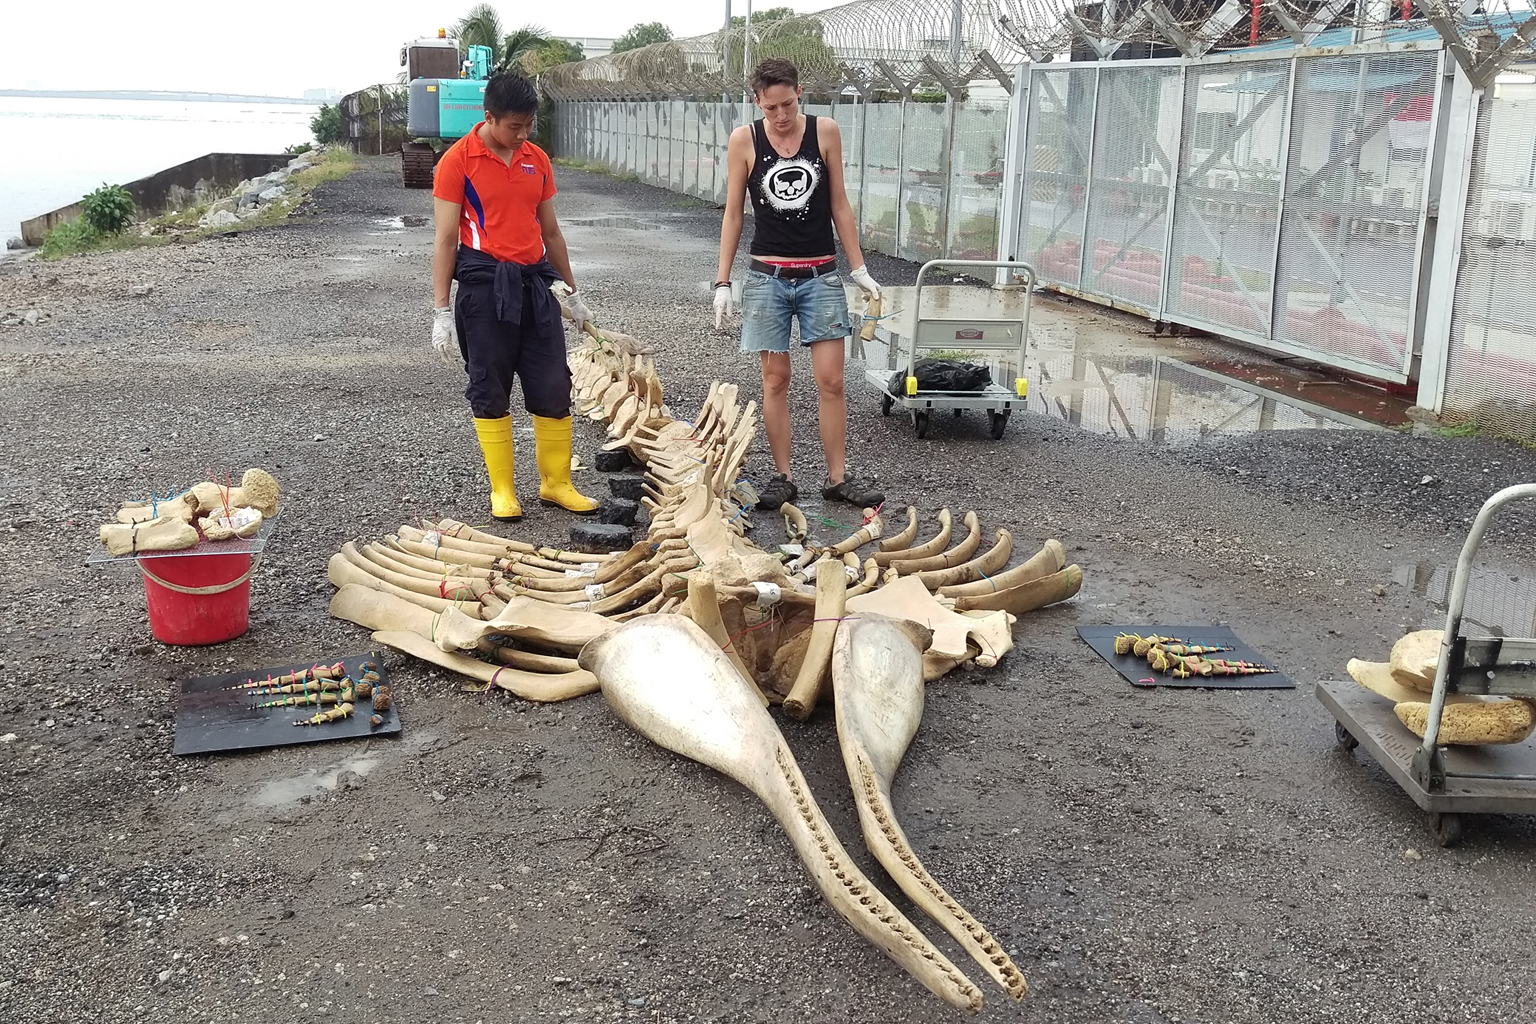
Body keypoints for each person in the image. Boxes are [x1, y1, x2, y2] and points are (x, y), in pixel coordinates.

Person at [714, 57, 885, 511]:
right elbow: (733, 212)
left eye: (788, 104)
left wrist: (859, 267)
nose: (782, 116)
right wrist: (722, 280)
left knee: (831, 381)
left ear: (799, 93)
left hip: (820, 275)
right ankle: (783, 476)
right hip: (768, 277)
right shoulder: (744, 140)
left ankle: (837, 477)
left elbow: (839, 204)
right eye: (771, 108)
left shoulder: (824, 132)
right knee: (776, 379)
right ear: (757, 102)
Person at [429, 72, 597, 522]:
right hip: (484, 289)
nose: (523, 135)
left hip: (534, 286)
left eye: (529, 126)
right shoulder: (457, 161)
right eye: (514, 127)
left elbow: (551, 231)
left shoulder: (536, 159)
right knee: (490, 386)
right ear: (489, 117)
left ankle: (556, 482)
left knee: (553, 383)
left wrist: (572, 293)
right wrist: (441, 310)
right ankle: (503, 490)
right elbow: (446, 240)